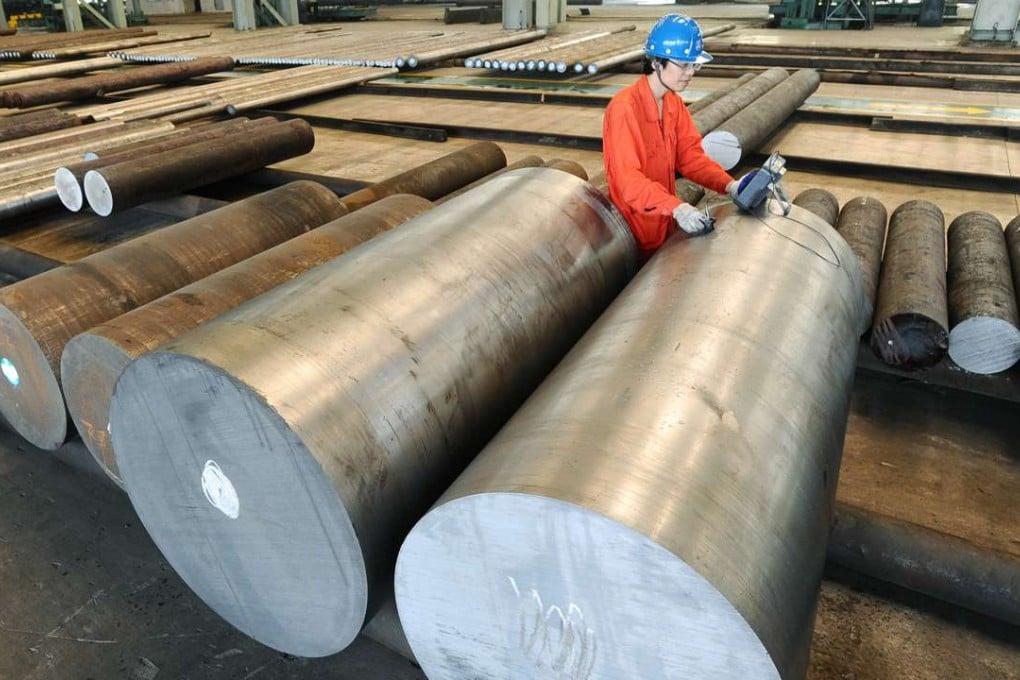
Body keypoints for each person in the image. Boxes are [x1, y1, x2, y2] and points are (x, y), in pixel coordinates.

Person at [603, 14, 744, 261]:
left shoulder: (673, 104)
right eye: (683, 64)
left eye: (695, 65)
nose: (690, 73)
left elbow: (691, 159)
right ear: (657, 62)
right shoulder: (624, 108)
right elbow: (628, 181)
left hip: (663, 222)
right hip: (632, 233)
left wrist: (730, 185)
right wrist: (675, 207)